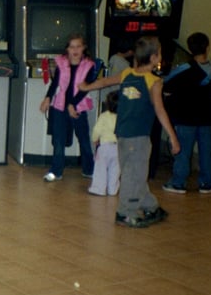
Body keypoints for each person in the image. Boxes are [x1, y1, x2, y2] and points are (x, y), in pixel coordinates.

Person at [79, 36, 180, 228]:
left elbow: (105, 82)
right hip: (139, 136)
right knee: (134, 174)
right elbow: (160, 110)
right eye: (159, 53)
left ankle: (150, 205)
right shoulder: (154, 82)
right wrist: (173, 139)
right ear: (153, 58)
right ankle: (126, 212)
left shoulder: (127, 74)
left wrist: (86, 87)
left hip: (123, 135)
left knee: (134, 172)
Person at [162, 32, 211, 194]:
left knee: (183, 151)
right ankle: (207, 183)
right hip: (207, 117)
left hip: (185, 117)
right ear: (207, 48)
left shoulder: (184, 69)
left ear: (189, 48)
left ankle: (178, 182)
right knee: (205, 151)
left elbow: (167, 84)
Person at [39, 33, 98, 182]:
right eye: (72, 47)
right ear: (67, 49)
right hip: (60, 106)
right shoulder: (62, 63)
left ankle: (89, 169)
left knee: (83, 139)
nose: (75, 50)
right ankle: (56, 170)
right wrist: (48, 98)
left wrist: (73, 104)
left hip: (79, 106)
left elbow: (86, 88)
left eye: (78, 46)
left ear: (84, 48)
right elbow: (55, 83)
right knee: (58, 140)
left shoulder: (89, 65)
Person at [87, 90, 119, 196]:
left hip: (104, 146)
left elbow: (97, 130)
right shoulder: (123, 117)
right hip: (118, 147)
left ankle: (99, 189)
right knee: (115, 169)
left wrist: (94, 139)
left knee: (100, 168)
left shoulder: (104, 116)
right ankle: (112, 189)